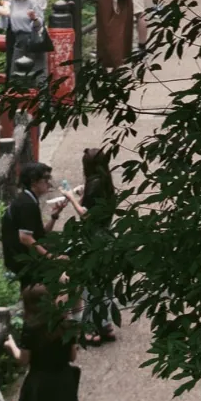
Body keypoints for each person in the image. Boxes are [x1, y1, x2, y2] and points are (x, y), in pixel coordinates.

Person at [76, 144, 121, 344]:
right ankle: (106, 324)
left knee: (90, 284)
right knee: (104, 283)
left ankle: (91, 328)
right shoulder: (106, 182)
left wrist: (71, 198)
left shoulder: (93, 184)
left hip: (93, 239)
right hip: (107, 236)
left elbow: (86, 215)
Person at [1, 158, 52, 280]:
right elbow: (25, 238)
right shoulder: (27, 204)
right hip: (21, 262)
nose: (49, 183)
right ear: (34, 182)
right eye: (45, 179)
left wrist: (55, 216)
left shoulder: (28, 199)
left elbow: (40, 234)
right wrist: (50, 256)